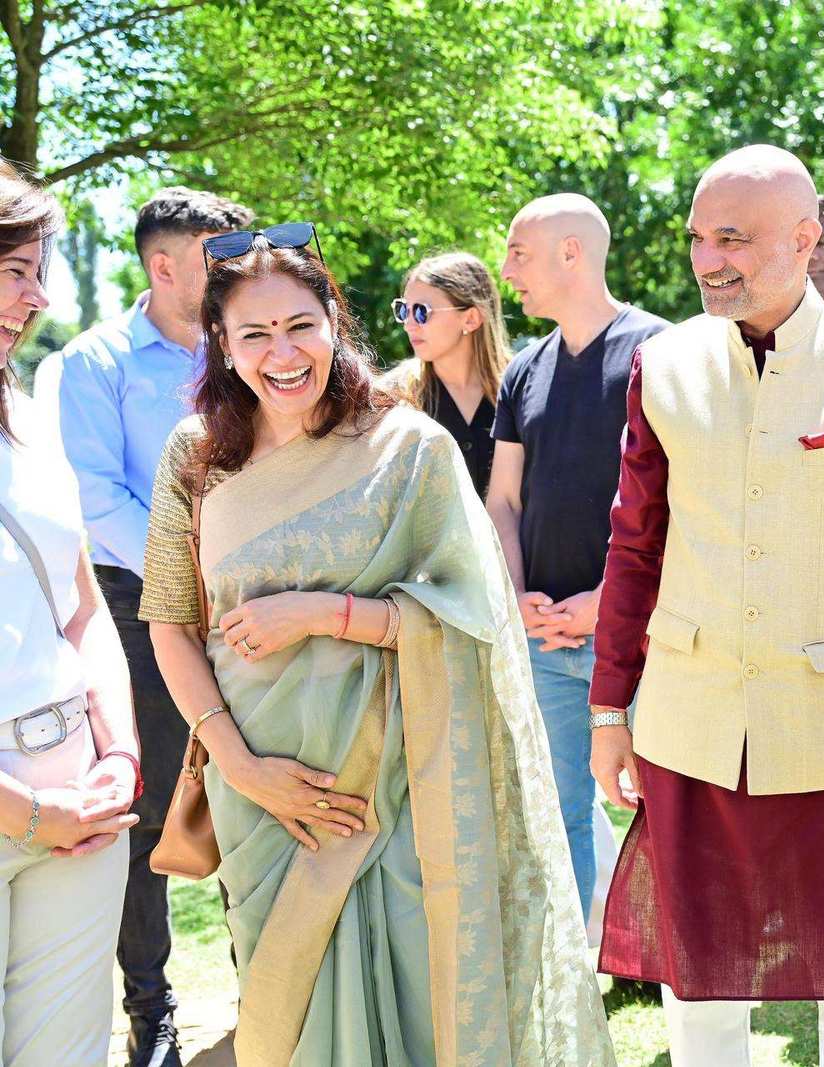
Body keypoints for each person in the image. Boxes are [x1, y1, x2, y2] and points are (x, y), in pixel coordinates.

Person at [139, 225, 613, 1065]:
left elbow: (478, 617)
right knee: (286, 1018)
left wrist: (325, 612)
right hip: (261, 792)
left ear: (335, 319)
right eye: (254, 334)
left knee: (416, 1004)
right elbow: (172, 622)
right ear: (221, 341)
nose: (282, 354)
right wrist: (241, 767)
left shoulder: (406, 448)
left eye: (301, 325)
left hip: (397, 789)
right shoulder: (195, 456)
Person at [588, 144, 824, 1066]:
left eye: (734, 239)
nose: (711, 258)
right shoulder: (660, 364)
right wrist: (608, 707)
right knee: (697, 976)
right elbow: (633, 544)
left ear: (805, 240)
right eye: (698, 239)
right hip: (689, 715)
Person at [55, 185, 253, 1067]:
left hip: (257, 612)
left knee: (262, 798)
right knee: (151, 816)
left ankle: (274, 985)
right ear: (165, 264)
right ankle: (154, 1008)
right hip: (142, 618)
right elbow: (97, 497)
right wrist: (197, 580)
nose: (237, 274)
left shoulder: (248, 344)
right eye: (220, 257)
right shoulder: (93, 364)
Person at [486, 193, 669, 922]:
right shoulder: (522, 371)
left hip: (644, 639)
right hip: (543, 642)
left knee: (663, 806)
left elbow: (685, 504)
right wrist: (517, 594)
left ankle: (671, 965)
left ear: (572, 252)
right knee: (557, 817)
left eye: (518, 253)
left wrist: (609, 602)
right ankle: (576, 975)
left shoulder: (661, 353)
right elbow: (503, 498)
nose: (506, 272)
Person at [0, 164, 143, 1066]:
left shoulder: (29, 412)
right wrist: (19, 809)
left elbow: (83, 604)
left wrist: (120, 750)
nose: (40, 294)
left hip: (82, 800)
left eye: (39, 268)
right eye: (16, 268)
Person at [381, 251, 512, 499]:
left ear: (471, 319)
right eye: (403, 310)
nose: (409, 324)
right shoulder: (391, 395)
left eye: (421, 311)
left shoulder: (520, 389)